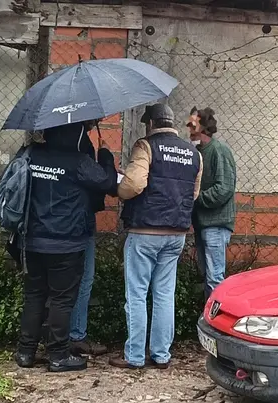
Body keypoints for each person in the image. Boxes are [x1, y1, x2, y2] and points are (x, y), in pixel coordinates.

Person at [11, 121, 118, 373]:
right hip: (66, 243)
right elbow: (108, 183)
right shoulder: (78, 161)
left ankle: (25, 352)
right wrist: (104, 155)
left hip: (32, 240)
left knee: (34, 296)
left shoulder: (31, 154)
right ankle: (58, 355)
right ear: (75, 134)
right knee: (61, 299)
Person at [109, 104, 203, 369]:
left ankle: (135, 356)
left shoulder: (145, 146)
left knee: (137, 294)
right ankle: (162, 355)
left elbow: (134, 184)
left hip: (145, 232)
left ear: (150, 124)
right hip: (176, 233)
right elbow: (193, 193)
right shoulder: (193, 153)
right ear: (171, 122)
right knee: (164, 294)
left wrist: (119, 187)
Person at [187, 107, 237, 302]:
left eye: (192, 124)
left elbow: (224, 189)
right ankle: (210, 320)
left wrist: (195, 197)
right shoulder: (198, 151)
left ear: (204, 127)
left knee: (215, 278)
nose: (188, 128)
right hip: (204, 223)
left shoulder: (219, 150)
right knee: (209, 275)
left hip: (215, 223)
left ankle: (216, 323)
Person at [69, 119, 109, 357]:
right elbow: (101, 180)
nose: (100, 120)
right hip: (81, 220)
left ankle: (58, 334)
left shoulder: (57, 141)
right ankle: (76, 334)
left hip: (56, 221)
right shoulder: (82, 144)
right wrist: (105, 155)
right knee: (84, 277)